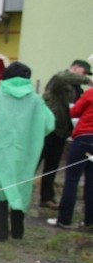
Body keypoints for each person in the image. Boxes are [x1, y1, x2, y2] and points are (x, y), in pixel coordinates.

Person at [0, 62, 55, 241]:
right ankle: (18, 231)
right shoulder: (36, 100)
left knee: (0, 187)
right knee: (21, 187)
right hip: (25, 152)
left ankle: (1, 231)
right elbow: (49, 124)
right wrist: (33, 136)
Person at [38, 59, 92, 209]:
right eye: (84, 72)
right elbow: (62, 76)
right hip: (48, 128)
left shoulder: (78, 90)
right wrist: (88, 80)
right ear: (75, 68)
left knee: (52, 165)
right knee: (34, 162)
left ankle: (46, 197)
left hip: (62, 130)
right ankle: (16, 194)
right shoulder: (60, 81)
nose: (85, 76)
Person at [48, 85, 93, 230]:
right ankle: (89, 221)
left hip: (84, 139)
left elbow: (74, 112)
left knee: (72, 179)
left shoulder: (91, 93)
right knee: (91, 182)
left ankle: (64, 219)